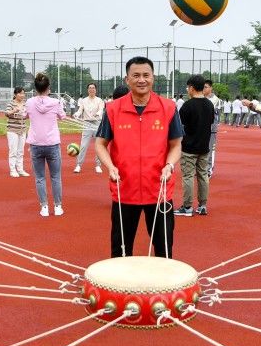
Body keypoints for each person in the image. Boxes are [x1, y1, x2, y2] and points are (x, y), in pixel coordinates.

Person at [95, 57, 183, 258]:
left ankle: (164, 288)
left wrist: (169, 165)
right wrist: (110, 166)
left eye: (146, 75)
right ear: (127, 80)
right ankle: (119, 288)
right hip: (124, 188)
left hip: (159, 189)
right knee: (121, 250)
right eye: (136, 75)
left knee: (164, 249)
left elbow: (176, 145)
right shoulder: (113, 109)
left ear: (153, 78)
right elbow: (100, 144)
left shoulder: (168, 108)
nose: (141, 80)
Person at [25, 72, 66, 217]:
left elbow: (24, 115)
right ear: (48, 87)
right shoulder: (56, 102)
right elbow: (63, 116)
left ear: (36, 88)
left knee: (40, 177)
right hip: (52, 144)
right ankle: (58, 206)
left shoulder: (29, 102)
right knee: (55, 176)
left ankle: (44, 207)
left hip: (36, 144)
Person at [174, 76, 214, 217]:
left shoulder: (187, 105)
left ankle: (187, 206)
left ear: (191, 88)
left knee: (188, 176)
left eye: (187, 87)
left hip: (189, 147)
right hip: (204, 146)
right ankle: (203, 205)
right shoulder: (209, 104)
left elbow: (180, 126)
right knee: (203, 175)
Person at [73, 82, 105, 174]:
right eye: (90, 88)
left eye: (93, 88)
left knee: (99, 145)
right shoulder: (83, 100)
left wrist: (98, 114)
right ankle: (78, 165)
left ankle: (98, 165)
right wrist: (77, 114)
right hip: (86, 124)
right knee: (83, 145)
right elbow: (80, 111)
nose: (91, 89)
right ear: (88, 90)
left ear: (96, 90)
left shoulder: (99, 100)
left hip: (97, 124)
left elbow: (101, 110)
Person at [4, 86, 30, 177]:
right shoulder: (11, 104)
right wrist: (14, 110)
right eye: (20, 93)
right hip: (12, 130)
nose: (22, 95)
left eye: (23, 93)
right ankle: (12, 170)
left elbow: (28, 115)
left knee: (21, 151)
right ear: (15, 94)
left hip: (22, 130)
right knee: (13, 151)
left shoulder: (25, 104)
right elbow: (6, 113)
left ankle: (20, 169)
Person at [203, 80, 222, 177]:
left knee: (210, 150)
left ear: (211, 88)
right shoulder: (201, 98)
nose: (204, 89)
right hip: (201, 128)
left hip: (211, 129)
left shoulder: (215, 100)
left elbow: (213, 113)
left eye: (206, 87)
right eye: (203, 87)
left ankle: (209, 170)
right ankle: (202, 169)